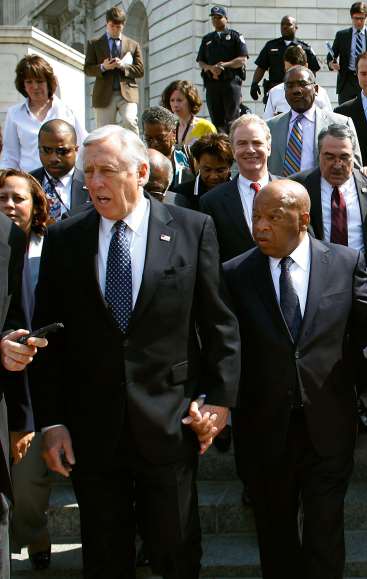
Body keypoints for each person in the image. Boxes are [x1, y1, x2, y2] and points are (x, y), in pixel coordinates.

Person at [29, 123, 240, 579]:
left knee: (176, 551)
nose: (95, 183)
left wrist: (219, 401)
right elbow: (49, 339)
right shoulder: (66, 238)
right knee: (105, 557)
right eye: (89, 172)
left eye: (107, 170)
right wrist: (52, 421)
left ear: (142, 171)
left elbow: (219, 324)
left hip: (170, 421)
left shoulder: (192, 228)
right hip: (92, 429)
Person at [224, 179, 367, 578]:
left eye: (273, 217)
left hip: (328, 423)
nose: (260, 227)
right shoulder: (234, 273)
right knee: (274, 535)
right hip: (263, 427)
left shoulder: (344, 261)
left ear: (303, 219)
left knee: (325, 533)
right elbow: (222, 343)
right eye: (256, 217)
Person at [0, 170, 52, 571]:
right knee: (25, 480)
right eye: (3, 197)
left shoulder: (59, 246)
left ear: (36, 205)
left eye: (19, 198)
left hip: (60, 380)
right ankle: (35, 541)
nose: (10, 206)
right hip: (19, 381)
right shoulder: (5, 247)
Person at [291, 123, 367, 255]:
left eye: (344, 157)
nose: (337, 165)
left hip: (363, 272)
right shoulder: (297, 186)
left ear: (354, 156)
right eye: (330, 157)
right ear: (319, 155)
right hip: (317, 271)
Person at [199, 114, 278, 262]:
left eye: (257, 143)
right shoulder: (211, 202)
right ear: (233, 150)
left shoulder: (293, 191)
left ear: (269, 148)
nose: (250, 150)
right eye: (242, 143)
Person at [267, 66, 361, 176]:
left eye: (303, 84)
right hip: (282, 191)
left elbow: (355, 170)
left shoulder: (342, 124)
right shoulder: (270, 126)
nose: (296, 90)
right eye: (290, 86)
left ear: (315, 89)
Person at [1, 55, 86, 172]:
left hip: (63, 180)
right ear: (23, 85)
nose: (35, 87)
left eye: (40, 81)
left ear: (48, 82)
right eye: (29, 82)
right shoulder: (14, 114)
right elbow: (10, 156)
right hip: (29, 181)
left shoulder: (66, 111)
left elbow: (83, 145)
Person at [83, 6, 144, 133]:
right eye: (112, 26)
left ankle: (135, 152)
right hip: (104, 94)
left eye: (119, 27)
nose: (115, 30)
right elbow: (88, 69)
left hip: (127, 94)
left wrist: (123, 66)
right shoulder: (94, 43)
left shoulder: (133, 45)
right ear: (107, 23)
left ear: (123, 25)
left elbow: (140, 70)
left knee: (130, 121)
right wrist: (103, 67)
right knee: (104, 133)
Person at [196, 6, 249, 133]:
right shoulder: (207, 39)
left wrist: (223, 65)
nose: (216, 20)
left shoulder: (235, 36)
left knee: (232, 119)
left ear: (226, 19)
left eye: (219, 17)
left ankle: (233, 147)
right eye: (213, 18)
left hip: (230, 83)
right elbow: (200, 61)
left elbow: (242, 59)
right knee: (216, 121)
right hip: (212, 84)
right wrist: (211, 68)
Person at [327, 2, 367, 105]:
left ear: (366, 17)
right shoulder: (342, 35)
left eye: (362, 18)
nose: (359, 22)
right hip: (347, 80)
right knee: (344, 112)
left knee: (366, 110)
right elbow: (331, 56)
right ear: (351, 17)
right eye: (356, 18)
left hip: (366, 79)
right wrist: (332, 64)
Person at [29, 120, 90, 219]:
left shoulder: (91, 184)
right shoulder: (27, 184)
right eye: (46, 150)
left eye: (62, 151)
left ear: (76, 150)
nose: (54, 159)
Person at [251, 15, 320, 100]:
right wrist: (254, 83)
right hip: (275, 90)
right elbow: (261, 67)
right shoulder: (271, 45)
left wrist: (309, 85)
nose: (284, 27)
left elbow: (313, 70)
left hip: (297, 92)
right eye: (282, 24)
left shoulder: (305, 48)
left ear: (296, 27)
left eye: (288, 24)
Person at [262, 46, 333, 118]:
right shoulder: (275, 93)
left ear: (306, 66)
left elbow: (329, 120)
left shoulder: (321, 93)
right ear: (284, 68)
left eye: (298, 70)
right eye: (289, 70)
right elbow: (267, 123)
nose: (293, 75)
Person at [173, 133, 234, 210]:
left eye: (220, 170)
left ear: (230, 166)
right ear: (197, 164)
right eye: (207, 170)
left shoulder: (240, 192)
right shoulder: (181, 194)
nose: (213, 176)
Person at [142, 106, 194, 189]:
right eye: (149, 138)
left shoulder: (188, 156)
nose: (154, 143)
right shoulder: (141, 160)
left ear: (173, 133)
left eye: (160, 138)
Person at [161, 80, 217, 148]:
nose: (175, 104)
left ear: (190, 100)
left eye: (179, 100)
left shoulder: (206, 126)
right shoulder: (169, 128)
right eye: (172, 100)